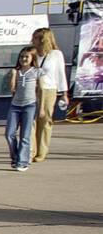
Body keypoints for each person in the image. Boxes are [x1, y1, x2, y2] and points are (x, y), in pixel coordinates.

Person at [31, 27, 70, 162]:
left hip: (49, 89)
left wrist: (64, 93)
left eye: (36, 37)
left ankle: (42, 151)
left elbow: (60, 74)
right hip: (32, 89)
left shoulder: (56, 54)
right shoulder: (32, 53)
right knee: (31, 120)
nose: (33, 40)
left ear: (43, 39)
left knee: (45, 119)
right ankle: (31, 150)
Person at [6, 45, 43, 172]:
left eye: (26, 57)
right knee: (9, 133)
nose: (23, 59)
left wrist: (41, 108)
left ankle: (22, 162)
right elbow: (12, 90)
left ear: (32, 58)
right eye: (21, 57)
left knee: (25, 135)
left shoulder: (36, 71)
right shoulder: (16, 71)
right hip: (15, 105)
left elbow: (40, 90)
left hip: (29, 105)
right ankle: (15, 157)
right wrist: (13, 76)